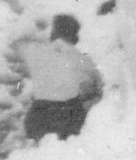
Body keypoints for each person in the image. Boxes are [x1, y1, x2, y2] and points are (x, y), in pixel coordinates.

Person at [19, 14, 103, 142]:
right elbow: (98, 85)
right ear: (75, 37)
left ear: (53, 34)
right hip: (67, 121)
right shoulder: (82, 59)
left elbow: (19, 46)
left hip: (37, 120)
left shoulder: (34, 51)